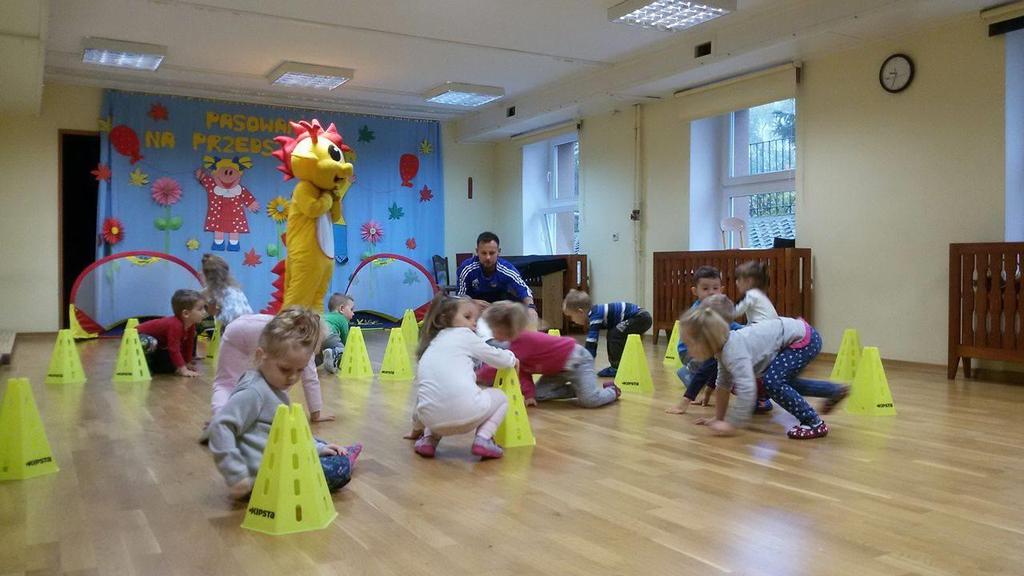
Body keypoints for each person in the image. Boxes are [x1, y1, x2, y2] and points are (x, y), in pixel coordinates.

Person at [207, 307, 360, 500]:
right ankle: (345, 457)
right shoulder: (254, 392)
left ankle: (332, 450)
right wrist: (236, 474)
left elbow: (290, 432)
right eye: (285, 369)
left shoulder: (273, 387)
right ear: (261, 355)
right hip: (264, 477)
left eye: (299, 370)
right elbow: (220, 426)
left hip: (274, 459)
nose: (292, 377)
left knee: (318, 442)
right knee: (340, 468)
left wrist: (319, 449)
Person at [683, 295, 849, 439]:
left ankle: (813, 422)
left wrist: (732, 424)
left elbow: (748, 390)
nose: (687, 349)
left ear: (706, 341)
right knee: (785, 383)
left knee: (773, 383)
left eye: (690, 344)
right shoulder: (723, 350)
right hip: (799, 335)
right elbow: (723, 385)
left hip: (803, 339)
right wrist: (718, 419)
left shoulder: (734, 352)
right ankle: (833, 391)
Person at [408, 294, 520, 460]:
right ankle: (484, 438)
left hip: (431, 421)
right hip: (465, 414)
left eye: (475, 318)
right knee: (501, 398)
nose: (473, 322)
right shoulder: (465, 336)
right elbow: (496, 358)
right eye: (467, 317)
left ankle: (429, 440)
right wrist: (512, 358)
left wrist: (415, 429)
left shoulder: (431, 344)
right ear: (445, 318)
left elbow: (421, 400)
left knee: (436, 395)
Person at [478, 301, 621, 408]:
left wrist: (477, 375)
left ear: (505, 328)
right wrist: (529, 395)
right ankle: (581, 388)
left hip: (578, 361)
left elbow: (498, 367)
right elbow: (522, 371)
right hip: (556, 370)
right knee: (538, 394)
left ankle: (612, 391)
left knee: (590, 400)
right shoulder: (514, 346)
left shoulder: (522, 341)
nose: (492, 334)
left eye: (493, 329)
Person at [209, 312, 334, 424]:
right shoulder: (303, 339)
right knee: (277, 382)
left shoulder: (289, 325)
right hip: (250, 330)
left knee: (225, 383)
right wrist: (316, 412)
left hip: (236, 327)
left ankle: (221, 419)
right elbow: (310, 378)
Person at [562, 289, 652, 377]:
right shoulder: (595, 313)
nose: (572, 320)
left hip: (641, 317)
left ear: (580, 312)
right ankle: (617, 365)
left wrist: (586, 364)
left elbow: (591, 343)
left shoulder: (595, 316)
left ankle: (616, 367)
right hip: (640, 317)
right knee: (612, 333)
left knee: (614, 334)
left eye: (571, 316)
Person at [455, 231, 538, 326]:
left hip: (499, 305)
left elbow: (523, 289)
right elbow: (460, 296)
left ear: (499, 252)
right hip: (474, 305)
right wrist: (473, 302)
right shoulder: (466, 268)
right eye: (483, 253)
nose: (488, 257)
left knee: (519, 307)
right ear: (477, 252)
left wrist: (531, 308)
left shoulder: (507, 268)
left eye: (492, 253)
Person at [137, 289, 207, 377]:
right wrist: (183, 369)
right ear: (186, 313)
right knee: (152, 344)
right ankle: (145, 365)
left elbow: (189, 344)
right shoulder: (175, 325)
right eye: (200, 309)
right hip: (136, 337)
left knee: (171, 364)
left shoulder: (191, 325)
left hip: (158, 344)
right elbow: (174, 349)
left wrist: (187, 362)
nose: (204, 312)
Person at [201, 253, 253, 327]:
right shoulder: (235, 289)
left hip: (231, 327)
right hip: (248, 325)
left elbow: (211, 316)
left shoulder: (212, 292)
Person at [733, 260, 779, 325]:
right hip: (774, 327)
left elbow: (737, 311)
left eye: (739, 279)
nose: (736, 282)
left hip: (762, 328)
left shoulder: (751, 294)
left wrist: (722, 315)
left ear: (749, 281)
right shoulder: (759, 293)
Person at [319, 293, 354, 374]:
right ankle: (334, 353)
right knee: (343, 351)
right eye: (351, 310)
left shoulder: (325, 315)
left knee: (318, 356)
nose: (353, 313)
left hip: (315, 334)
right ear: (341, 309)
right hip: (329, 334)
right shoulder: (342, 319)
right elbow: (346, 340)